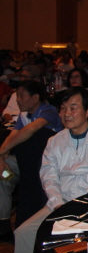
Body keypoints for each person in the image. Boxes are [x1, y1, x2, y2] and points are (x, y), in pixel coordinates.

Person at [13, 87, 88, 253]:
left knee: (78, 238)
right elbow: (49, 177)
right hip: (60, 203)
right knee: (23, 233)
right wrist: (58, 204)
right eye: (63, 109)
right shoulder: (54, 141)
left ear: (87, 111)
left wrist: (87, 206)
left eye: (73, 108)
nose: (66, 114)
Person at [0, 81, 63, 242]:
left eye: (21, 96)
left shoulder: (49, 111)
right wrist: (1, 157)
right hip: (25, 166)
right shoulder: (23, 115)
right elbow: (13, 136)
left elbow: (31, 129)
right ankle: (4, 225)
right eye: (17, 96)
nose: (18, 100)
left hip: (47, 168)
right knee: (3, 175)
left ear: (35, 98)